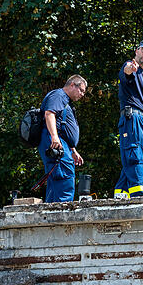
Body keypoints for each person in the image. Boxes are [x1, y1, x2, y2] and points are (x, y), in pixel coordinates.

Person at [114, 38, 143, 199]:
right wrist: (130, 69)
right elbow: (127, 72)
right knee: (136, 157)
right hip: (134, 120)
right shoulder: (131, 67)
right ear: (136, 51)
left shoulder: (142, 74)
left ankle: (121, 194)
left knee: (131, 158)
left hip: (140, 122)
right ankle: (140, 196)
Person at [38, 75, 86, 203]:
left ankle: (51, 215)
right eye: (81, 90)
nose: (82, 94)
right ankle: (63, 213)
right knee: (64, 176)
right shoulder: (58, 95)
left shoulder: (66, 101)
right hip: (55, 141)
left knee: (56, 180)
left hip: (62, 143)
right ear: (72, 85)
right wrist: (54, 137)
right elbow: (49, 114)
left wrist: (73, 150)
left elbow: (63, 127)